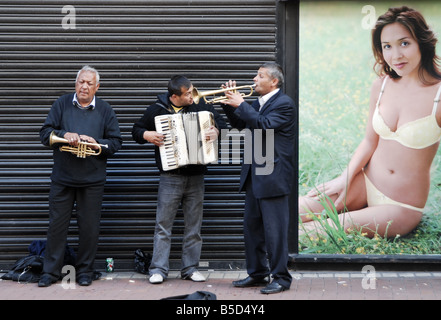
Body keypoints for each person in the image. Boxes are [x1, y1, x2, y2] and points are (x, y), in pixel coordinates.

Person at [299, 6, 441, 239]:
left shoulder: (439, 94)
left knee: (316, 230)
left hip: (401, 206)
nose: (396, 55)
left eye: (404, 43)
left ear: (422, 43)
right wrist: (345, 178)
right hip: (365, 182)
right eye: (387, 46)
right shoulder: (382, 86)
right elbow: (369, 141)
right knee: (292, 211)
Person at [132, 75, 227, 284]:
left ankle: (190, 268)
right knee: (163, 225)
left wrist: (216, 132)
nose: (193, 96)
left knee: (194, 226)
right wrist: (147, 134)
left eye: (193, 90)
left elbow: (223, 128)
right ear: (174, 96)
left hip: (196, 176)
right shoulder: (156, 109)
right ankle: (158, 269)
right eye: (187, 94)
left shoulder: (202, 106)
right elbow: (136, 131)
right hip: (170, 177)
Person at [38, 65, 123, 287]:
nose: (83, 86)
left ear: (97, 87)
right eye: (80, 82)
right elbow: (45, 133)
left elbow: (115, 143)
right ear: (76, 83)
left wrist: (97, 144)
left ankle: (85, 271)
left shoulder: (105, 110)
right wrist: (64, 134)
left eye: (88, 83)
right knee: (56, 226)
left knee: (89, 228)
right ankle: (51, 272)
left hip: (92, 180)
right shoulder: (62, 103)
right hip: (62, 178)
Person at [220, 62, 295, 294]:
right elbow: (241, 124)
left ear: (274, 81)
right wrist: (229, 105)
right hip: (255, 174)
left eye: (260, 76)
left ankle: (281, 278)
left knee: (275, 231)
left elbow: (265, 126)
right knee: (252, 228)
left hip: (273, 176)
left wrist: (241, 103)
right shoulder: (257, 103)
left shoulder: (284, 104)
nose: (254, 79)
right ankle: (258, 273)